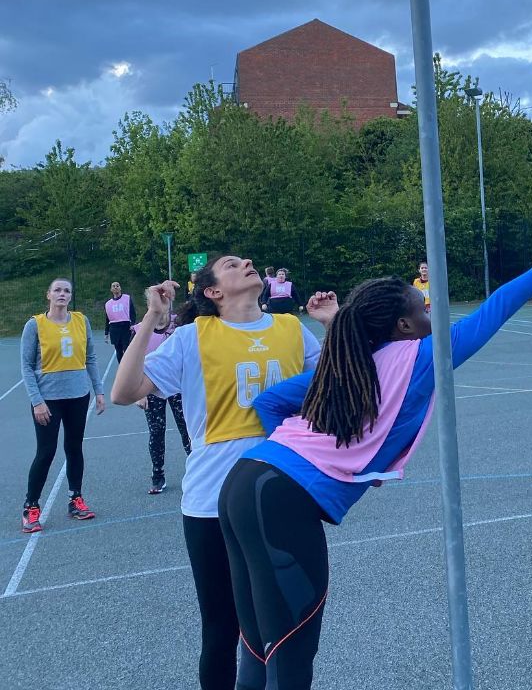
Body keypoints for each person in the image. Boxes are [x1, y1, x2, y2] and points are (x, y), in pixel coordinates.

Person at [217, 208, 532, 690]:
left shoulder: (348, 366)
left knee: (257, 649)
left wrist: (301, 453)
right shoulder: (423, 357)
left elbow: (270, 402)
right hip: (280, 498)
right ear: (404, 326)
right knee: (290, 658)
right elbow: (495, 308)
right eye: (423, 311)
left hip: (245, 481)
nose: (430, 316)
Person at [111, 255, 323, 690]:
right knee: (222, 629)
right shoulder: (193, 336)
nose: (247, 262)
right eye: (231, 264)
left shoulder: (291, 329)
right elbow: (124, 391)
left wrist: (335, 322)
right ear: (213, 291)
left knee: (284, 629)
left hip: (278, 495)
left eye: (245, 260)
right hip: (211, 502)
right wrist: (151, 318)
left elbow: (337, 386)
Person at [21, 277, 105, 533]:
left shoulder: (81, 320)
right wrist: (37, 401)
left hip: (78, 396)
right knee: (46, 452)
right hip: (48, 400)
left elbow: (90, 357)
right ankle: (31, 506)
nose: (62, 294)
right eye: (57, 290)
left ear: (70, 296)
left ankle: (75, 499)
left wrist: (99, 390)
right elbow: (26, 366)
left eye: (66, 290)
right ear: (48, 294)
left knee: (74, 448)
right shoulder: (35, 325)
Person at [130, 316, 192, 494]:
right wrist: (139, 392)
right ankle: (158, 475)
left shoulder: (179, 325)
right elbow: (134, 362)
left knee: (187, 429)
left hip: (177, 386)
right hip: (151, 386)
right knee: (156, 431)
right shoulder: (140, 330)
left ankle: (196, 468)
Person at [104, 280, 137, 364]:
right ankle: (121, 367)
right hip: (114, 328)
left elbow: (132, 313)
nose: (116, 287)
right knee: (118, 351)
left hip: (125, 327)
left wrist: (132, 324)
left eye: (117, 285)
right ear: (111, 289)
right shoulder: (108, 304)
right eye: (113, 286)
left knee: (127, 349)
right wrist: (106, 333)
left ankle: (129, 367)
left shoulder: (127, 298)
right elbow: (107, 319)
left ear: (120, 288)